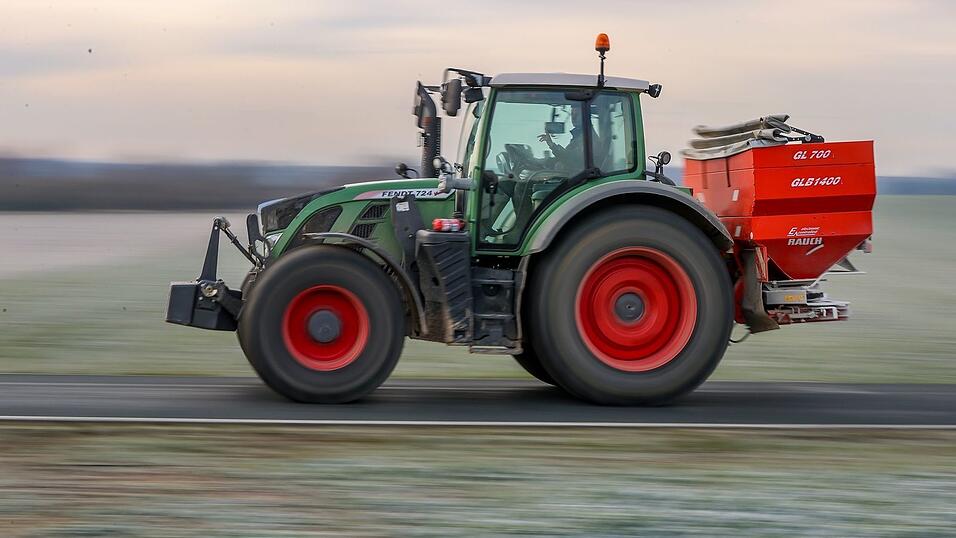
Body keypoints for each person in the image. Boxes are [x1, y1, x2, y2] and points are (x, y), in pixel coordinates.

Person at [537, 105, 590, 173]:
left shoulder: (588, 139)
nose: (573, 117)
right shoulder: (581, 136)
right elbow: (566, 157)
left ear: (586, 116)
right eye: (572, 114)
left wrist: (552, 145)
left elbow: (572, 159)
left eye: (577, 114)